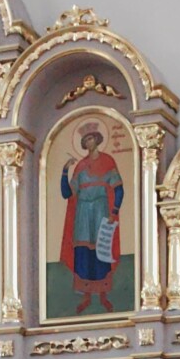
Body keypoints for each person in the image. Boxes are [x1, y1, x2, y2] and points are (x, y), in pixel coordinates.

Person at [60, 124, 124, 313]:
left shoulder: (108, 161)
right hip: (82, 213)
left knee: (101, 251)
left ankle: (103, 295)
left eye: (91, 138)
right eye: (85, 140)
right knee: (83, 252)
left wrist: (114, 211)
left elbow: (119, 189)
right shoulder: (80, 166)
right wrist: (64, 171)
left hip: (100, 210)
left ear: (97, 140)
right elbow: (67, 193)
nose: (89, 142)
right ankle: (86, 296)